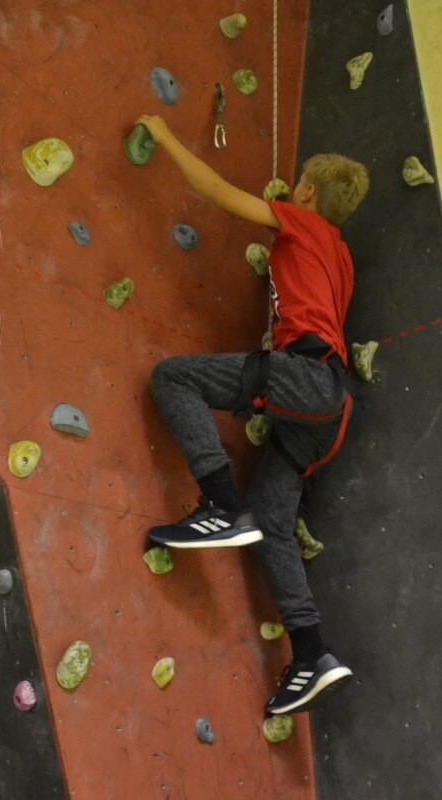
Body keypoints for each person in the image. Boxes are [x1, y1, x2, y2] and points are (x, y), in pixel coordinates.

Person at [138, 114, 368, 716]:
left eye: (297, 186)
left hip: (307, 379)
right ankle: (312, 653)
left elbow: (216, 191)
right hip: (329, 413)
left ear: (307, 192)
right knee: (270, 521)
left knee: (173, 378)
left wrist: (163, 135)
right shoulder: (340, 256)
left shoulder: (302, 221)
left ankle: (219, 504)